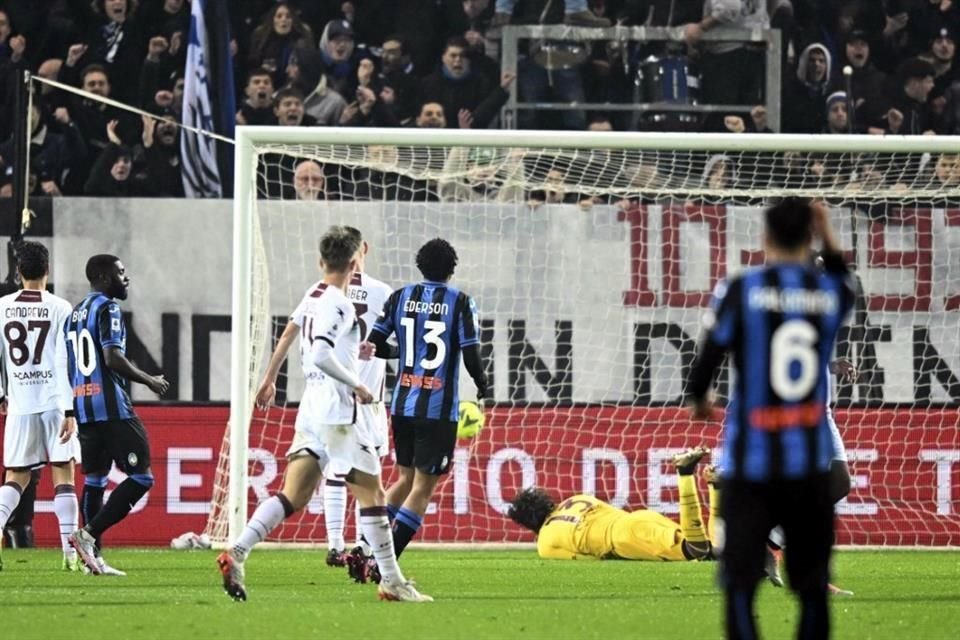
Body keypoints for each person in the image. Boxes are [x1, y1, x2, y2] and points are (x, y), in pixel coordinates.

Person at [219, 226, 430, 603]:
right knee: (373, 494)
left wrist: (269, 379)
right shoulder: (339, 303)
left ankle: (238, 551)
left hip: (311, 410)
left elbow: (290, 334)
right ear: (354, 262)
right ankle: (392, 582)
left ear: (321, 261)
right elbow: (319, 353)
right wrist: (357, 384)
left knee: (293, 495)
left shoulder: (313, 294)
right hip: (338, 412)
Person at [686, 199, 855, 640]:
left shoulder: (741, 289)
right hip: (808, 460)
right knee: (812, 589)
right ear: (810, 236)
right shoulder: (827, 292)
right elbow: (844, 281)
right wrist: (829, 233)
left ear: (764, 238)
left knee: (739, 588)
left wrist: (699, 397)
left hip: (751, 461)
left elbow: (707, 358)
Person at [360, 238, 489, 578]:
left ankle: (364, 547)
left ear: (420, 265)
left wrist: (403, 354)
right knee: (422, 488)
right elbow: (472, 355)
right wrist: (483, 383)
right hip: (437, 408)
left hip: (402, 403)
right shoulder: (461, 302)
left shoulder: (400, 297)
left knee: (403, 479)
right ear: (452, 269)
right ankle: (382, 565)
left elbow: (373, 345)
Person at [65, 254, 171, 576]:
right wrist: (149, 379)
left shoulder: (73, 314)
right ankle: (87, 535)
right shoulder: (107, 308)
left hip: (84, 407)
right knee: (142, 477)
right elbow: (112, 358)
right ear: (102, 275)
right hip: (111, 409)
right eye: (120, 273)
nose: (126, 278)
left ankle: (91, 559)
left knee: (95, 481)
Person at [0, 242, 81, 572]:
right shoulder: (62, 308)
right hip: (55, 404)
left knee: (15, 477)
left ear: (18, 273)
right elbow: (66, 361)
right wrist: (70, 410)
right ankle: (70, 554)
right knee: (64, 475)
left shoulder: (2, 307)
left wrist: (2, 394)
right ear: (47, 270)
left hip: (20, 405)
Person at [318, 228, 393, 567]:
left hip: (336, 393)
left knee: (338, 468)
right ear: (363, 249)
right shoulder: (383, 293)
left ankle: (337, 544)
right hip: (367, 397)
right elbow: (395, 343)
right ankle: (360, 546)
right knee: (369, 477)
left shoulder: (323, 295)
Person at [507, 447, 716, 561]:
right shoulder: (576, 499)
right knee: (710, 553)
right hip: (640, 518)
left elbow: (590, 562)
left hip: (623, 539)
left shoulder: (545, 543)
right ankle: (716, 487)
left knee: (695, 549)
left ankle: (685, 473)